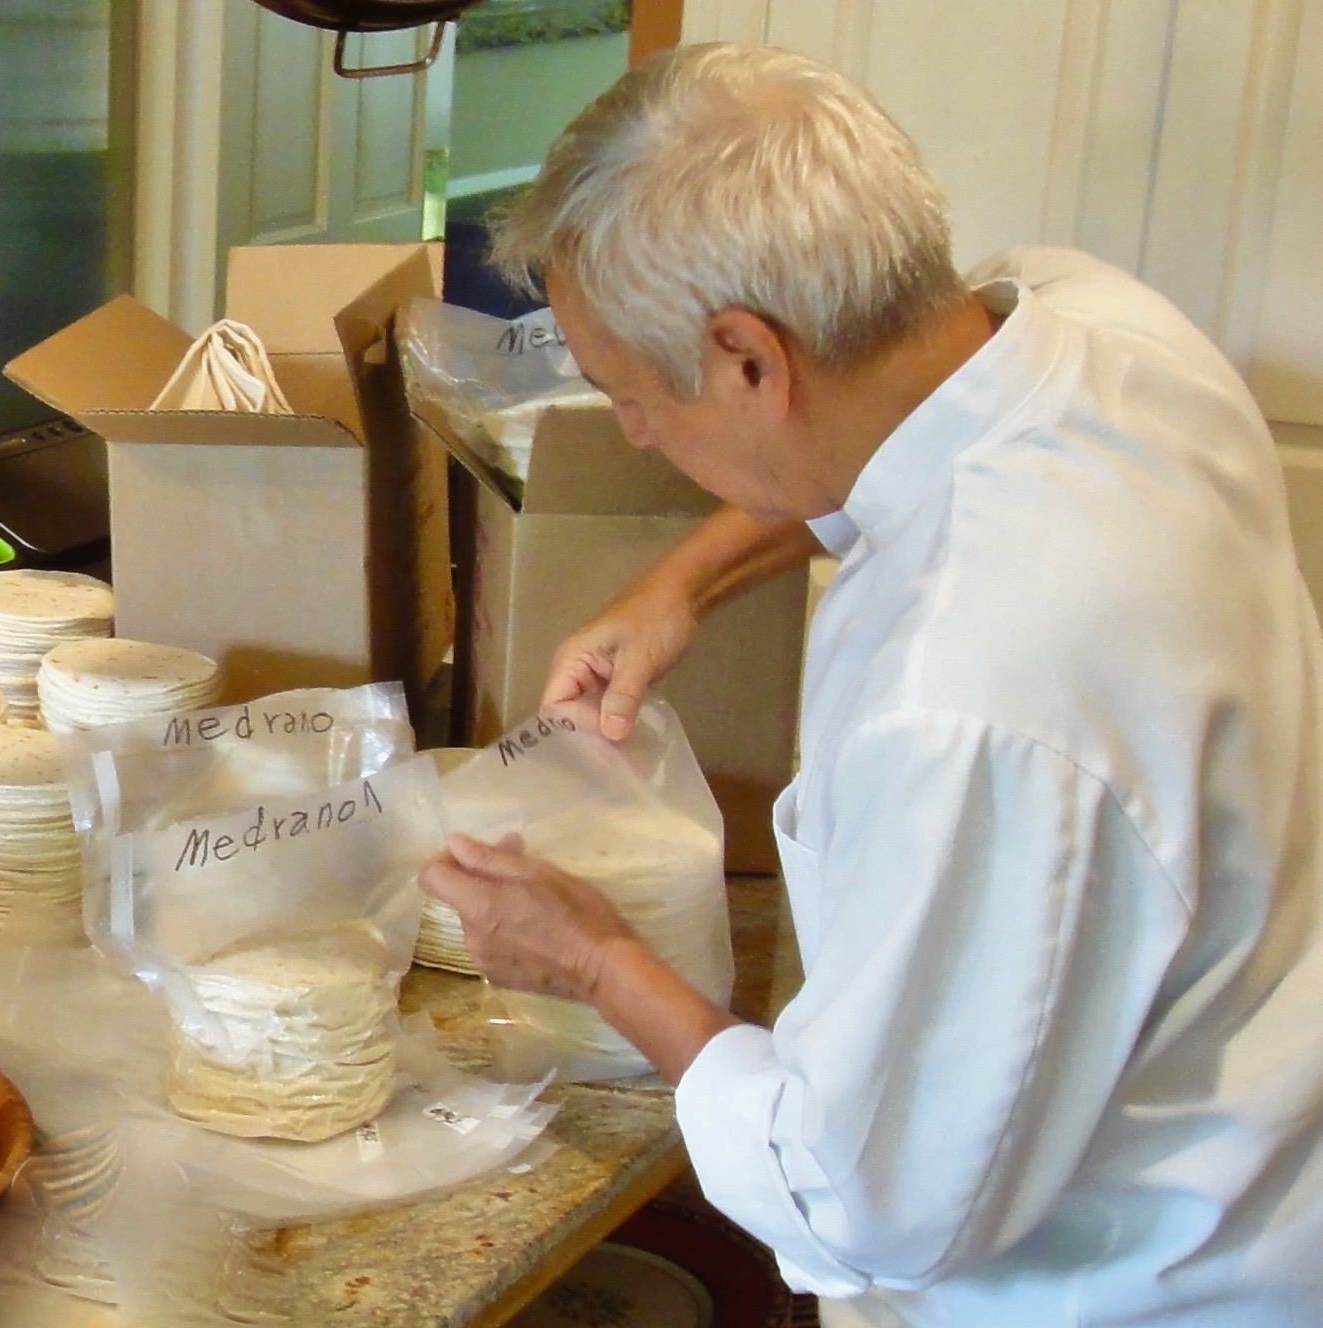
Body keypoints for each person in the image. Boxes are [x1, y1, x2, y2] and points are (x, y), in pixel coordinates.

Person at [417, 42, 1323, 1328]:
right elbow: (910, 434)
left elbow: (856, 1190)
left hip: (1132, 1282)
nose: (630, 431)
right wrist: (685, 576)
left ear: (745, 358)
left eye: (627, 394)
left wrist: (595, 954)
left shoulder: (969, 699)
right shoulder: (1102, 328)